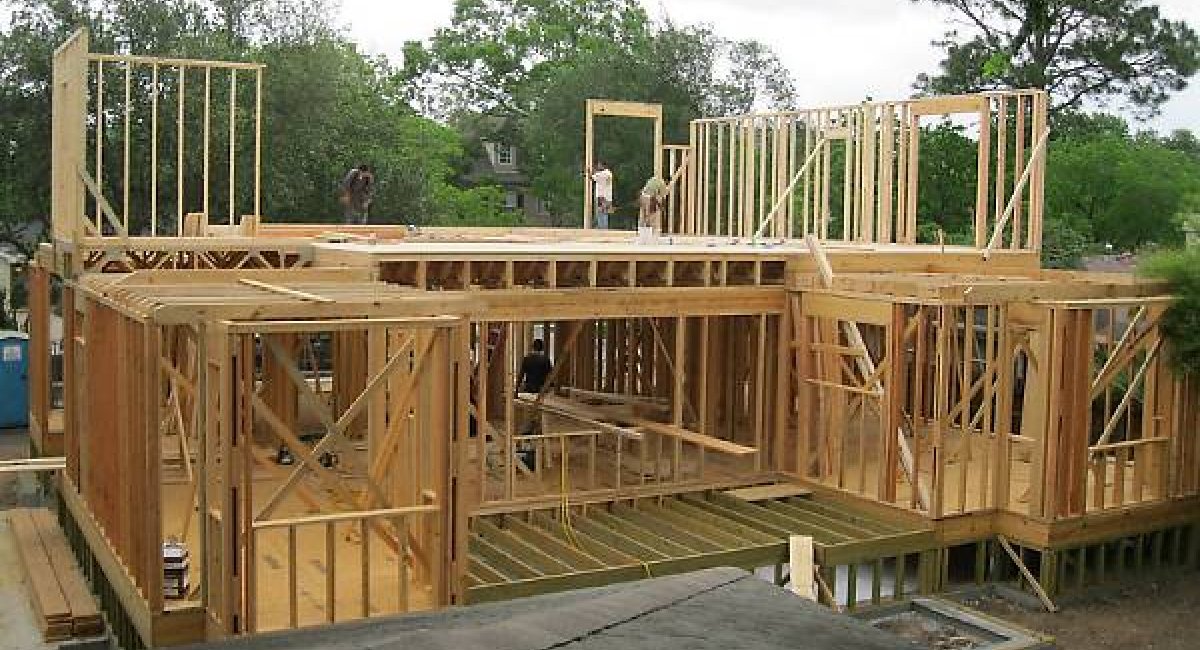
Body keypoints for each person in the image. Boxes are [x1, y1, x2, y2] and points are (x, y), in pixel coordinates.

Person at [637, 174, 668, 242]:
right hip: (649, 198)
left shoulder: (652, 179)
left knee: (643, 216)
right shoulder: (662, 183)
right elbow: (661, 197)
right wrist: (660, 206)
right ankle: (651, 237)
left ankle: (641, 236)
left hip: (642, 197)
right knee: (651, 217)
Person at [588, 161, 613, 229]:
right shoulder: (609, 173)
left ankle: (602, 229)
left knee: (601, 213)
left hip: (602, 196)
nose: (598, 166)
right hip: (608, 196)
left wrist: (588, 171)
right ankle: (604, 228)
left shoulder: (603, 174)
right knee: (604, 213)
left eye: (599, 165)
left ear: (603, 166)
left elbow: (591, 177)